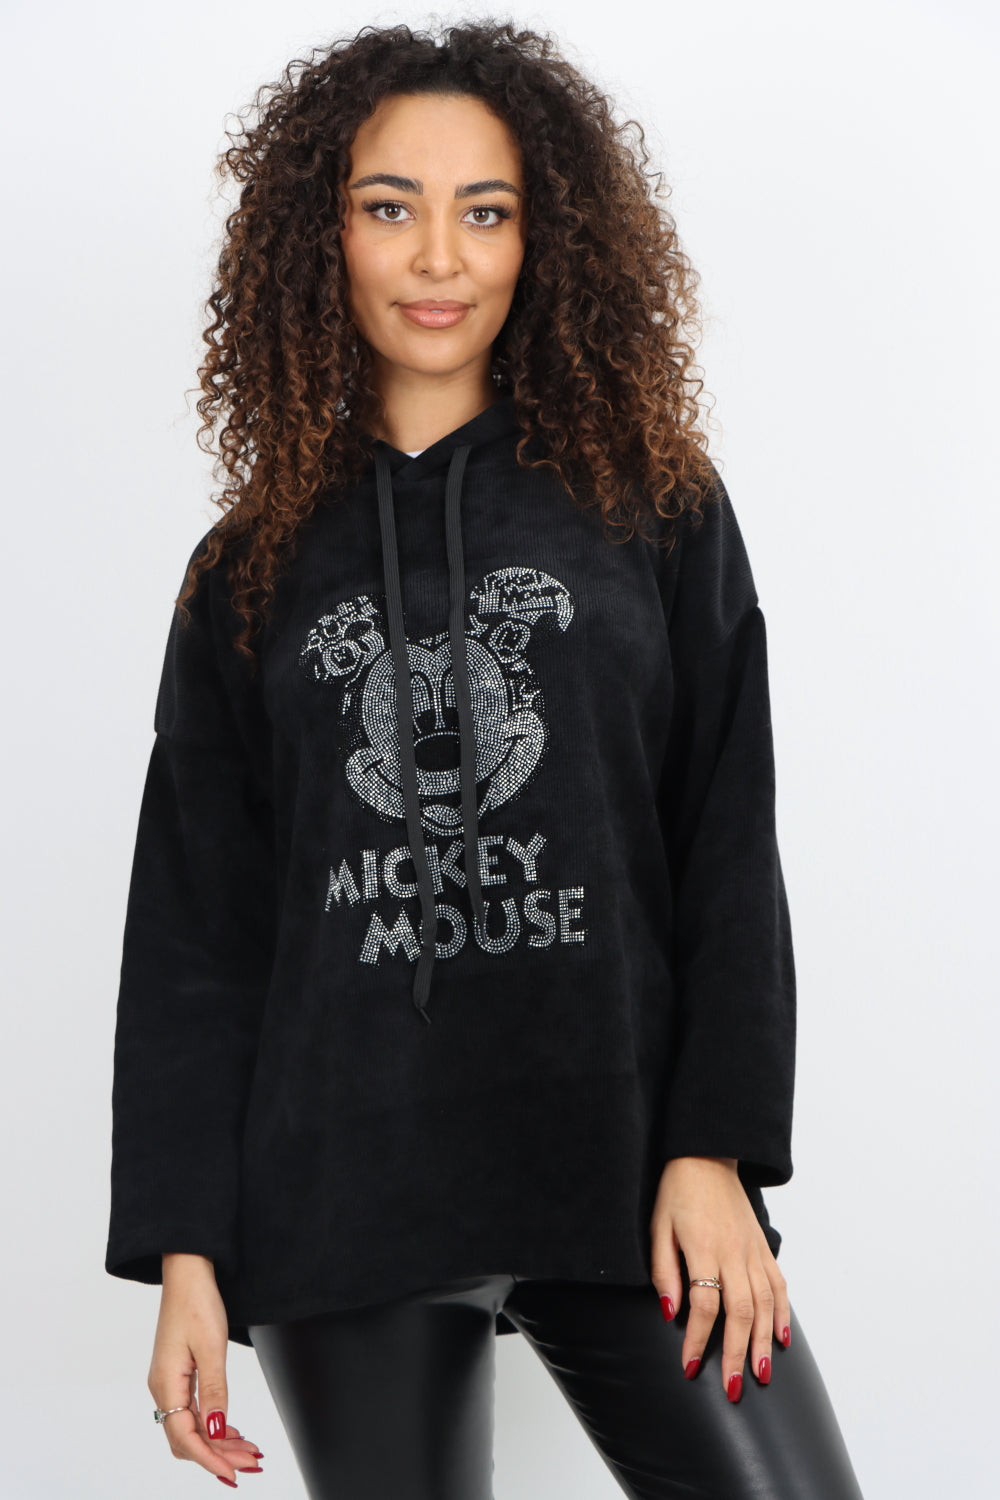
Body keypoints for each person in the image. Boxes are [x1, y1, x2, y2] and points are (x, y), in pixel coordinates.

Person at [105, 19, 865, 1499]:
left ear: (545, 236)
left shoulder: (649, 502)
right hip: (342, 1189)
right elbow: (197, 930)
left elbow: (726, 832)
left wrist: (716, 1148)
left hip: (620, 1160)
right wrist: (186, 1252)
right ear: (322, 235)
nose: (439, 257)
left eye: (488, 210)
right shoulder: (248, 567)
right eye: (390, 207)